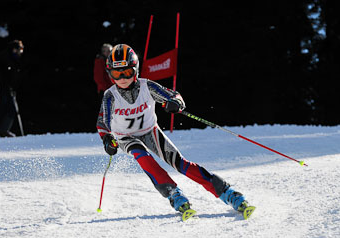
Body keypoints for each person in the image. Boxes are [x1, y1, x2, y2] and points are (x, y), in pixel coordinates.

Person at [96, 44, 253, 219]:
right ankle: (173, 193)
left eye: (127, 72)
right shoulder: (110, 95)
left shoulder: (147, 86)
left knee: (179, 162)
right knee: (142, 156)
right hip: (125, 137)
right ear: (110, 74)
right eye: (117, 74)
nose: (122, 78)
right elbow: (103, 123)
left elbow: (174, 96)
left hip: (150, 131)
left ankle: (226, 192)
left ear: (136, 70)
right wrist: (107, 139)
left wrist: (175, 103)